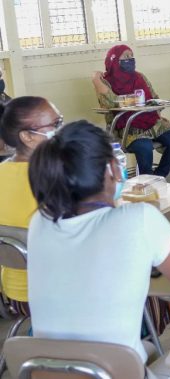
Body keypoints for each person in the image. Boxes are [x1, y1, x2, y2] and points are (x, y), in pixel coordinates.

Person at [26, 121, 170, 378]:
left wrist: (162, 243)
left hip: (46, 370)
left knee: (147, 347)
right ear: (110, 167)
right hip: (110, 370)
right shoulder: (141, 219)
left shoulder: (40, 220)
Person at [0, 97, 62, 316]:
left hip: (17, 293)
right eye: (54, 125)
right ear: (27, 136)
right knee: (145, 279)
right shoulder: (53, 177)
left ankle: (42, 339)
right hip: (61, 292)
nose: (60, 131)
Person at [93, 45, 170, 177]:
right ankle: (146, 180)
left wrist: (157, 109)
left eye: (132, 56)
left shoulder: (140, 77)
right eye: (126, 57)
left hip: (153, 124)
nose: (130, 60)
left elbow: (154, 98)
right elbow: (110, 103)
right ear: (114, 60)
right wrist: (95, 78)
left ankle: (158, 177)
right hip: (127, 130)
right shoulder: (106, 82)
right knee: (144, 147)